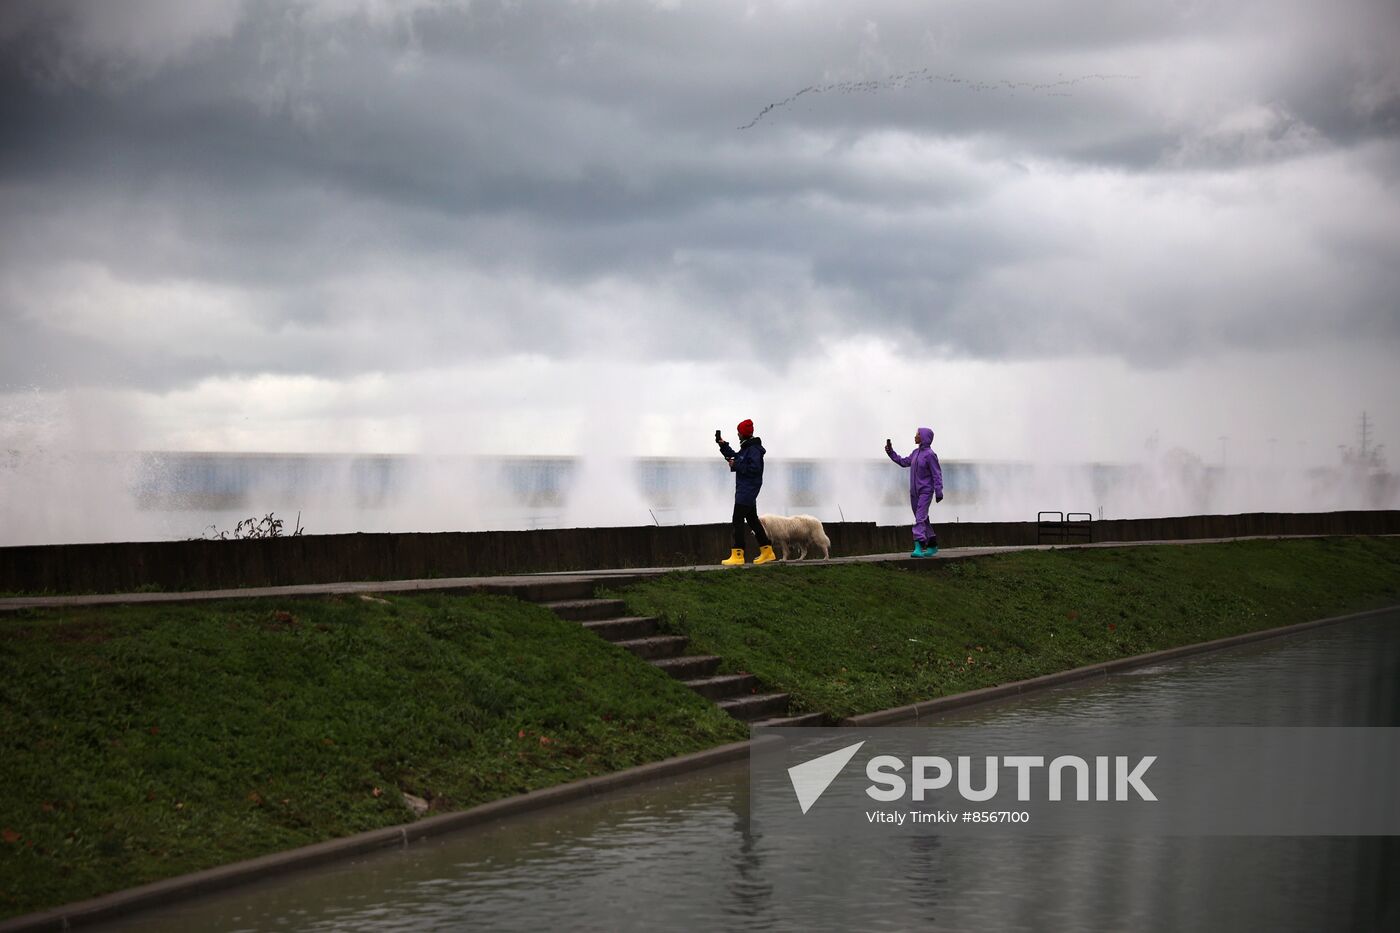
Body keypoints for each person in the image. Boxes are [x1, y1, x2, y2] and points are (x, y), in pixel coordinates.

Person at [716, 419, 778, 566]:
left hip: (747, 490)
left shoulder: (754, 450)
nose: (737, 434)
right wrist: (722, 445)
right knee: (752, 521)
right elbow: (737, 457)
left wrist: (736, 465)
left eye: (739, 432)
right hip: (746, 490)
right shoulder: (747, 448)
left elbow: (754, 469)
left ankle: (738, 554)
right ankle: (767, 551)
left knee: (737, 520)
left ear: (743, 433)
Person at [885, 427, 944, 557]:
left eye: (918, 434)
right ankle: (932, 544)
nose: (915, 436)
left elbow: (937, 474)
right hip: (914, 493)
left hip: (926, 491)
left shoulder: (930, 455)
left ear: (924, 437)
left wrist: (939, 491)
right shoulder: (915, 453)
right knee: (923, 519)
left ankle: (918, 546)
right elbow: (903, 462)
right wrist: (891, 452)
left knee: (919, 518)